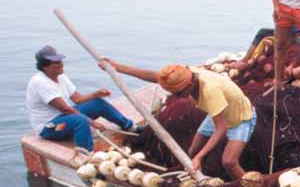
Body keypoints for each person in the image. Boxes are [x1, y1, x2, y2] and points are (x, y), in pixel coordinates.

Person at [100, 59, 255, 180]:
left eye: (179, 93)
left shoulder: (210, 91)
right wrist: (117, 67)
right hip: (218, 113)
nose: (177, 96)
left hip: (240, 119)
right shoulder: (184, 73)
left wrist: (200, 157)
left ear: (190, 84)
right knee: (192, 151)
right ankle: (199, 177)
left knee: (229, 161)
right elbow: (153, 76)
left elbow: (221, 129)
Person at [26, 45, 136, 151]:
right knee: (80, 120)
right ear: (45, 67)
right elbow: (66, 109)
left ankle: (130, 127)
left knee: (97, 103)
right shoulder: (40, 82)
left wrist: (96, 94)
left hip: (64, 118)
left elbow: (77, 99)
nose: (60, 64)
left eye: (60, 61)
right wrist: (92, 123)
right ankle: (86, 153)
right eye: (55, 62)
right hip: (51, 127)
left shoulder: (61, 76)